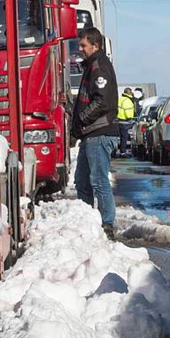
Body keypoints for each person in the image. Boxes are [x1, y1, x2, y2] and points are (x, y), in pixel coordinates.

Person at [72, 27, 120, 237]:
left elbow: (101, 101)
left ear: (95, 45)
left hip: (99, 132)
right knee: (82, 181)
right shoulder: (91, 66)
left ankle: (107, 225)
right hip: (90, 134)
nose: (80, 49)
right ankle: (87, 221)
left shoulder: (99, 66)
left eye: (83, 45)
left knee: (99, 181)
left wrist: (82, 118)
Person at [117, 88, 136, 157]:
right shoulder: (128, 101)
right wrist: (130, 118)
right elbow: (128, 112)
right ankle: (123, 152)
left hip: (117, 120)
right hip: (124, 121)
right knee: (124, 137)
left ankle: (114, 152)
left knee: (117, 137)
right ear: (129, 93)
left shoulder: (120, 99)